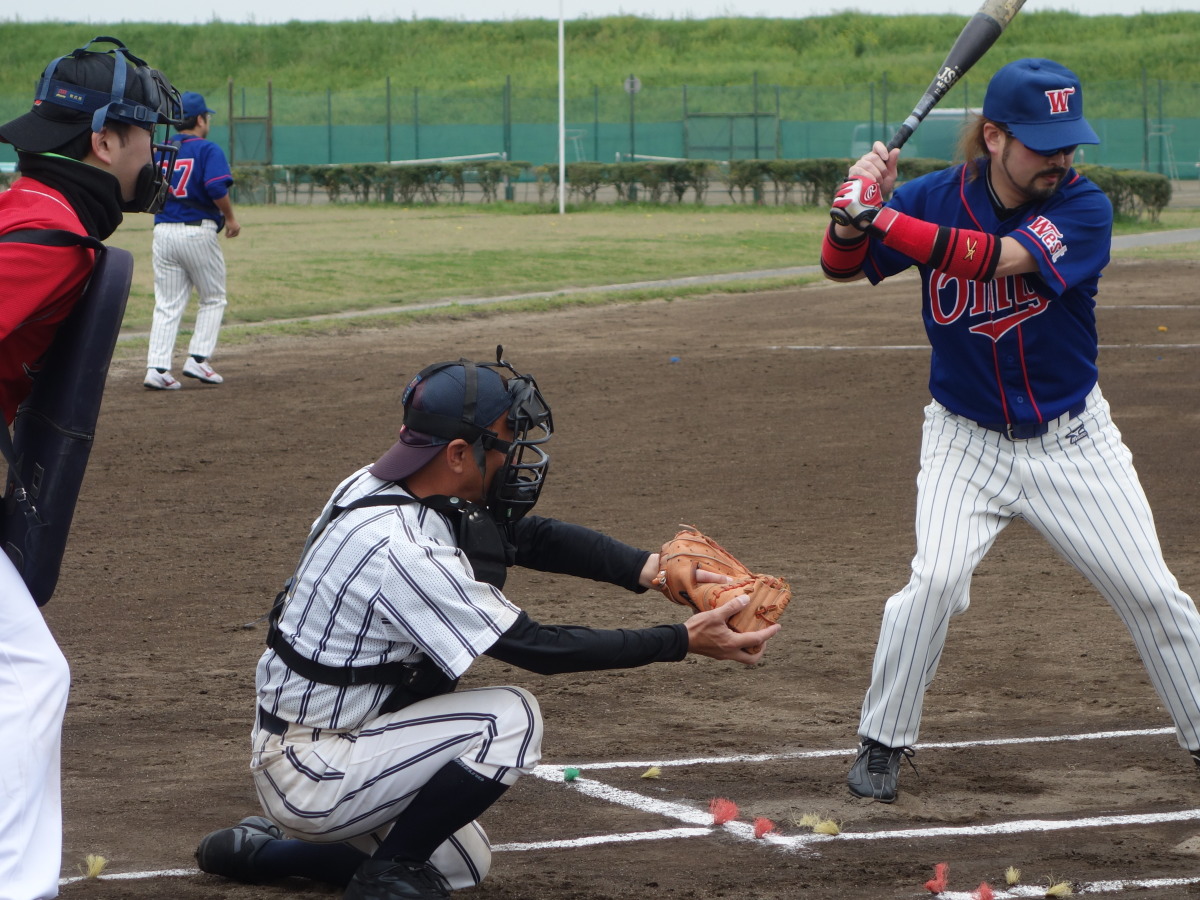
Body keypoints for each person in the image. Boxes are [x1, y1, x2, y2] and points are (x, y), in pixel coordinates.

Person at [193, 352, 780, 899]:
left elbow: (523, 536)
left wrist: (649, 570)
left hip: (340, 741)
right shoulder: (399, 550)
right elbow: (535, 647)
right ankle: (384, 876)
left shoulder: (379, 486)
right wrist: (682, 641)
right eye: (502, 444)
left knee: (460, 865)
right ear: (456, 453)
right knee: (509, 718)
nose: (513, 458)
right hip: (317, 767)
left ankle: (266, 854)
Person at [821, 57, 1200, 804]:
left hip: (1075, 444)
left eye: (1069, 143)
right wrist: (848, 213)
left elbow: (998, 260)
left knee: (1154, 595)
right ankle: (882, 741)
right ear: (994, 137)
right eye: (1044, 145)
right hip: (963, 440)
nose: (1062, 158)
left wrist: (880, 214)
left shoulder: (1084, 207)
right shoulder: (934, 197)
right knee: (934, 583)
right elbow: (841, 265)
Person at [0, 37, 180, 900]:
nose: (154, 155)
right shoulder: (50, 235)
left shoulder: (26, 205)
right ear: (104, 142)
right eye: (145, 137)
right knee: (30, 677)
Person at [144, 90, 239, 391]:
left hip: (163, 231)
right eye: (206, 117)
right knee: (213, 298)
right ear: (199, 119)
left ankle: (157, 368)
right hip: (196, 231)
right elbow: (216, 188)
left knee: (167, 303)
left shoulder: (161, 149)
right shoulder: (207, 149)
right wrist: (231, 218)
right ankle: (198, 359)